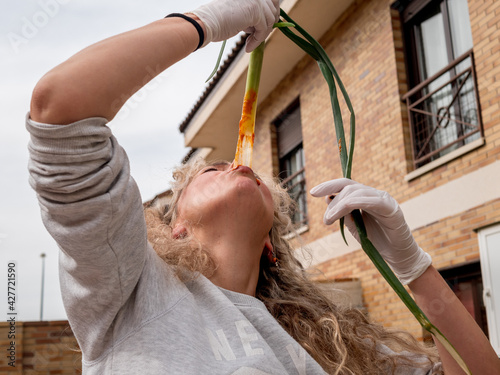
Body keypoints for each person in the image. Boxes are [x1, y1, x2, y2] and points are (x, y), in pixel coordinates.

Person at [26, 0, 499, 374]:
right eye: (208, 172)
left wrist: (412, 266)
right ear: (177, 229)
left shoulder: (336, 350)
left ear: (272, 244)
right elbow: (61, 106)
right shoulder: (132, 291)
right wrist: (208, 20)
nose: (234, 164)